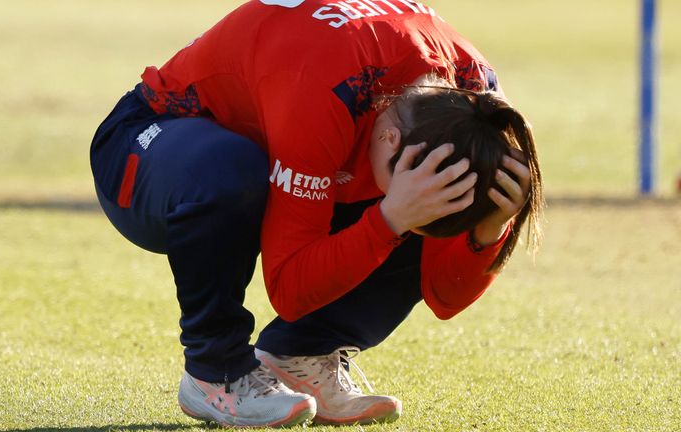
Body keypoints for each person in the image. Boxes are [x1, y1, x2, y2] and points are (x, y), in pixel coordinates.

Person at [90, 0, 543, 428]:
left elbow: (445, 297)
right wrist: (390, 220)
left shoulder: (475, 112)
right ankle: (215, 372)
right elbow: (288, 287)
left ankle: (301, 355)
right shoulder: (326, 88)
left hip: (295, 131)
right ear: (387, 141)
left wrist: (490, 228)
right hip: (148, 149)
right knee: (231, 170)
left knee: (409, 205)